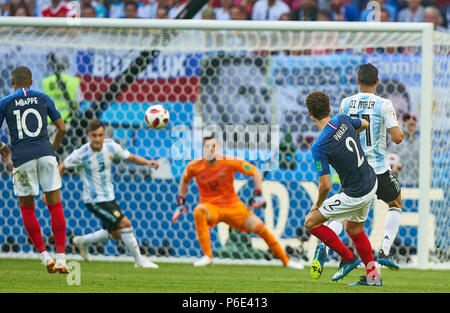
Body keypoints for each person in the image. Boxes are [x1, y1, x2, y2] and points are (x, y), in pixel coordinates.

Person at [172, 134, 304, 269]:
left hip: (232, 206)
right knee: (199, 210)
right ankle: (208, 256)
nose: (211, 149)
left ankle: (286, 261)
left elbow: (255, 172)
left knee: (261, 229)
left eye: (214, 146)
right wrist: (181, 202)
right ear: (202, 149)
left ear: (219, 148)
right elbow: (184, 179)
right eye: (207, 146)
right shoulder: (194, 166)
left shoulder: (229, 162)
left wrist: (258, 195)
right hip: (210, 207)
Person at [58, 119, 160, 268]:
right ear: (88, 136)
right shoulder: (81, 153)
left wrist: (148, 162)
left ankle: (81, 241)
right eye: (94, 136)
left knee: (117, 233)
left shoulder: (111, 146)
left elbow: (130, 157)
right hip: (94, 200)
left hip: (109, 197)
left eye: (100, 135)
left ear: (104, 134)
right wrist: (53, 192)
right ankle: (139, 261)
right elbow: (61, 167)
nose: (98, 139)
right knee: (126, 224)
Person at [304, 91, 382, 286]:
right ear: (330, 108)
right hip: (370, 182)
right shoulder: (342, 119)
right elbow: (364, 125)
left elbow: (325, 185)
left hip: (355, 193)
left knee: (311, 222)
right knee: (354, 229)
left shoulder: (319, 146)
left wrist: (317, 205)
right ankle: (373, 277)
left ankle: (348, 258)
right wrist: (346, 133)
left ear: (309, 114)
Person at [335, 63, 405, 270]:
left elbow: (341, 133)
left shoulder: (346, 103)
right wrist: (398, 127)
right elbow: (398, 138)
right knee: (395, 202)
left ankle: (327, 247)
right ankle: (384, 250)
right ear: (377, 81)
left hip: (355, 167)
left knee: (344, 214)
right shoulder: (384, 104)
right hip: (377, 167)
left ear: (357, 81)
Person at [0, 66, 69, 273]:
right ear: (31, 82)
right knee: (55, 206)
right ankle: (62, 258)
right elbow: (63, 128)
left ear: (13, 83)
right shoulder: (42, 97)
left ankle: (44, 256)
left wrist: (3, 147)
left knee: (27, 208)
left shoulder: (6, 102)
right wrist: (51, 150)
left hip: (23, 159)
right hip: (46, 154)